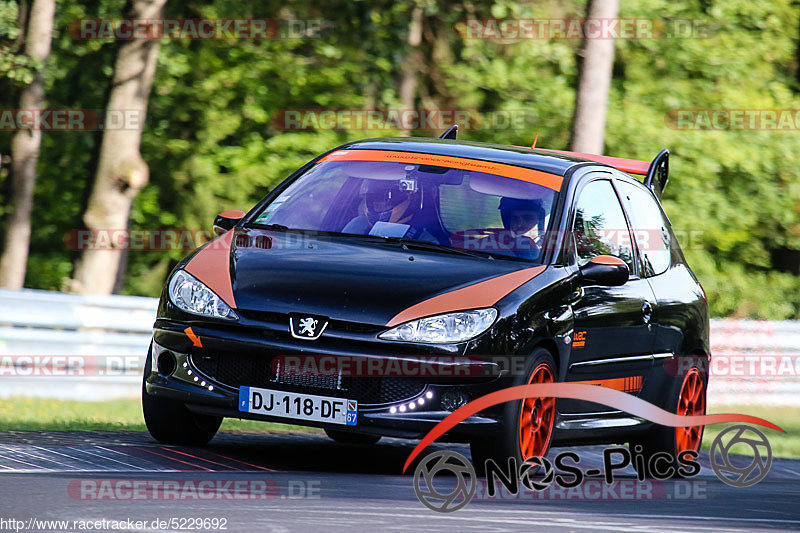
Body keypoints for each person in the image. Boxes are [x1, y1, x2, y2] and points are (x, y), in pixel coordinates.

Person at [343, 179, 423, 237]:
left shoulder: (424, 240)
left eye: (387, 202)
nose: (379, 203)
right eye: (374, 198)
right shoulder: (357, 225)